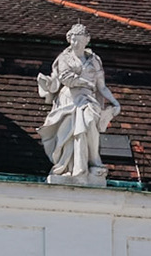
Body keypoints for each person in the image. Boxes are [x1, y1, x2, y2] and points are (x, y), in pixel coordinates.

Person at [37, 23, 120, 185]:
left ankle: (92, 162)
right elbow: (66, 78)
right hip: (69, 99)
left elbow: (101, 86)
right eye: (73, 40)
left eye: (79, 40)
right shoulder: (64, 58)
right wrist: (85, 83)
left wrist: (115, 102)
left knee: (89, 123)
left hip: (88, 99)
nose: (76, 43)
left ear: (86, 41)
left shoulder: (94, 60)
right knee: (73, 132)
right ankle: (75, 168)